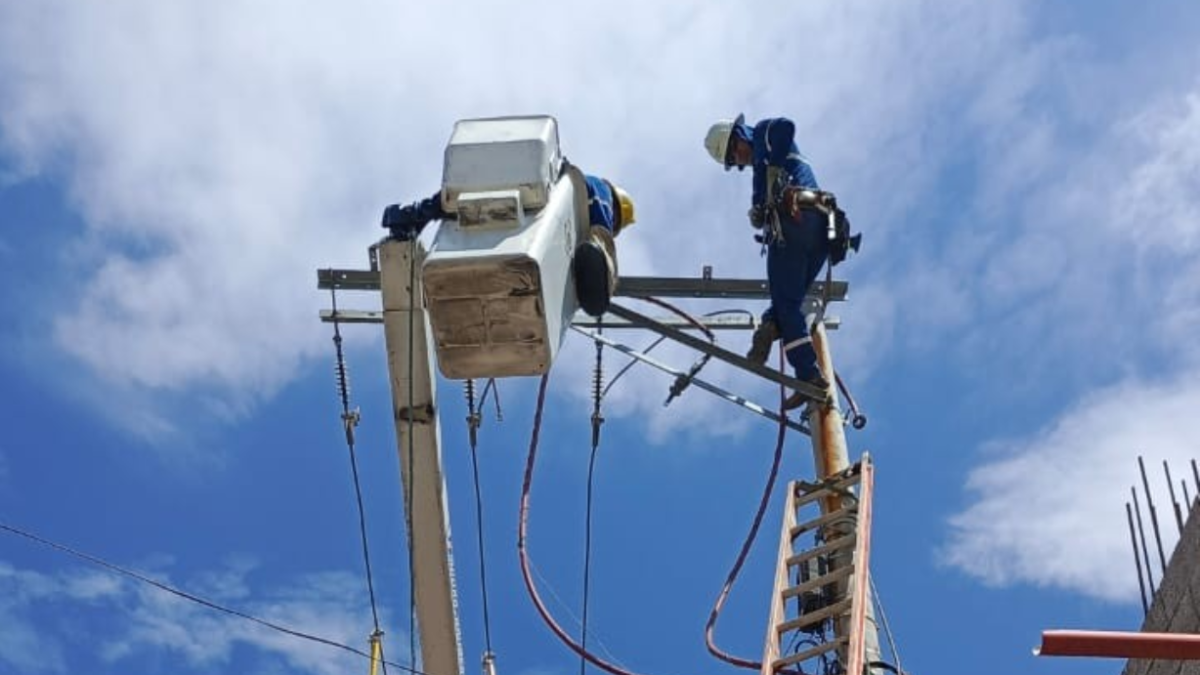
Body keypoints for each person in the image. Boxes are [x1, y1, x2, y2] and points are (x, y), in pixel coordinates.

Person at [704, 114, 830, 409]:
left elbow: (786, 126)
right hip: (821, 231)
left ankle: (809, 375)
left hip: (795, 220)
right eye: (733, 164)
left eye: (734, 155)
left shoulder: (763, 133)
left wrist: (772, 169)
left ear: (739, 137)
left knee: (787, 306)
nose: (739, 163)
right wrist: (758, 209)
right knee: (790, 303)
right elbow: (761, 199)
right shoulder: (759, 169)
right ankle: (772, 325)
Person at [381, 173, 636, 316]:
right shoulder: (600, 194)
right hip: (557, 205)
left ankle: (409, 216)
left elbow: (449, 202)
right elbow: (601, 225)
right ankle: (600, 278)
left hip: (522, 197)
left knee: (465, 206)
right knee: (601, 246)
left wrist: (419, 214)